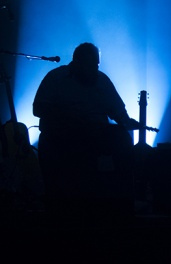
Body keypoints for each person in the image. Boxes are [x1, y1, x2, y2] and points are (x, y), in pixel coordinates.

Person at [33, 42, 141, 220]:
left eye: (96, 65)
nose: (94, 69)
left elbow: (117, 110)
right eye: (90, 65)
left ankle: (118, 203)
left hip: (95, 137)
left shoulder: (102, 81)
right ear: (77, 62)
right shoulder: (56, 78)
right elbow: (38, 109)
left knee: (121, 139)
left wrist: (126, 122)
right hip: (62, 138)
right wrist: (71, 118)